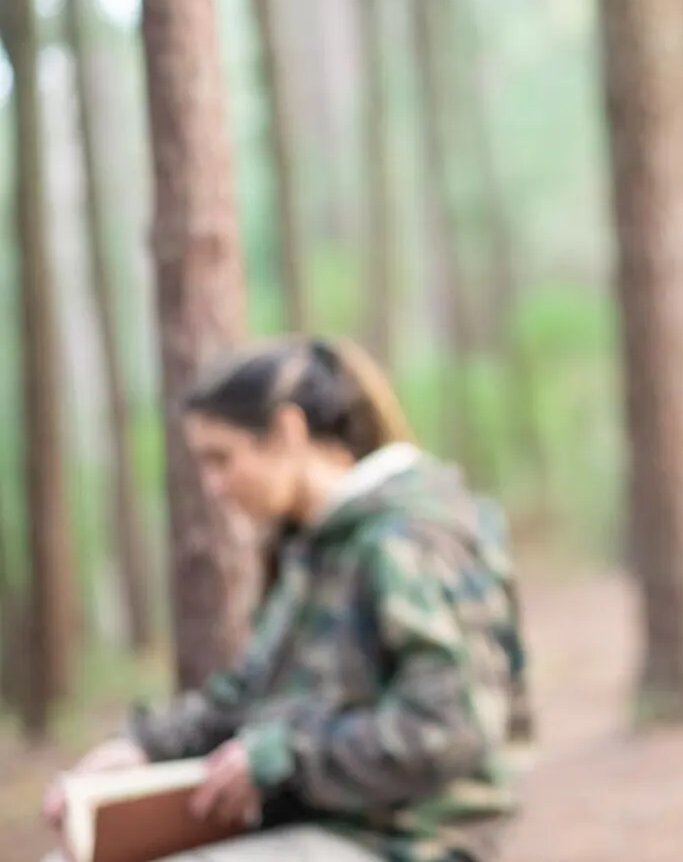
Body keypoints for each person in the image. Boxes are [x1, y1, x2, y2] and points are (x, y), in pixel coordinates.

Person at [41, 336, 532, 862]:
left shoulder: (408, 539)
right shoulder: (311, 545)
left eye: (222, 459)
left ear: (287, 431)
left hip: (413, 839)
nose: (213, 486)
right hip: (319, 822)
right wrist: (144, 749)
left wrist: (284, 758)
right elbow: (251, 694)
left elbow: (452, 727)